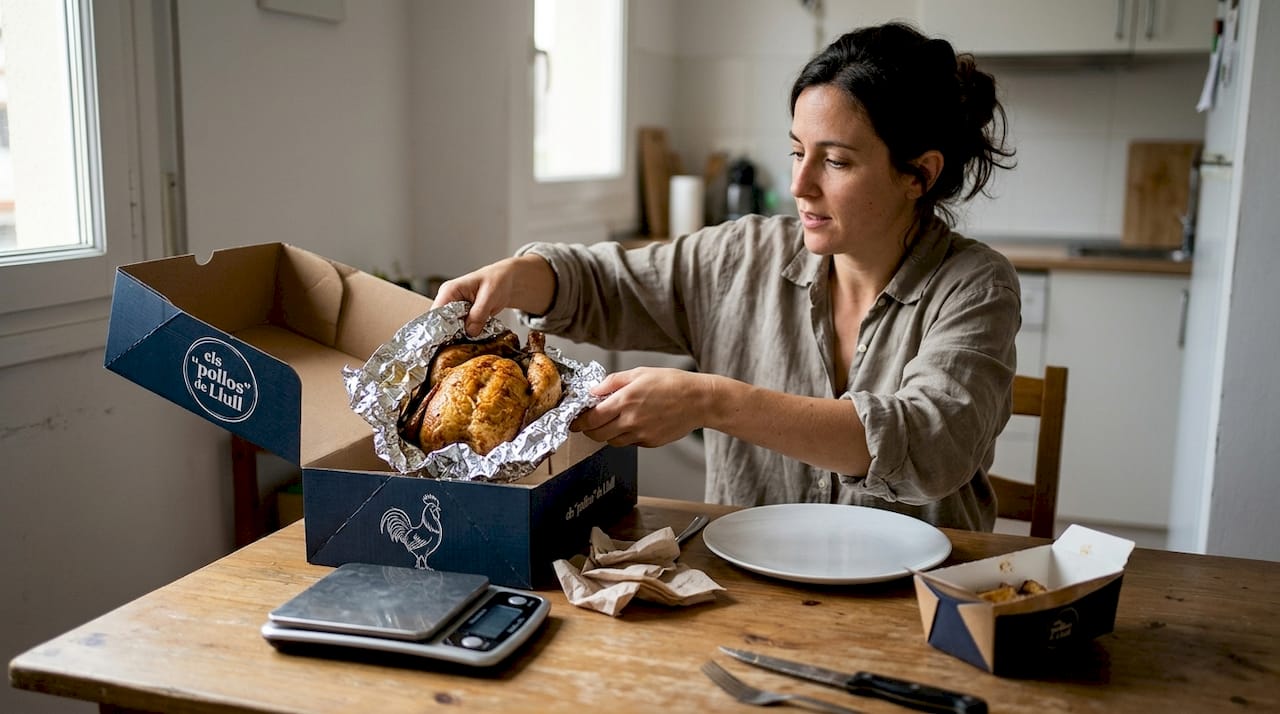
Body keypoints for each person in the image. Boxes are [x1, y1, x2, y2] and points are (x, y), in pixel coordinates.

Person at [432, 22, 1019, 531]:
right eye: (797, 152)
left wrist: (711, 399)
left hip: (916, 602)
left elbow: (929, 440)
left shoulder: (975, 287)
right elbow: (606, 284)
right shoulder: (743, 255)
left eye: (835, 161)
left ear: (918, 174)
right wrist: (520, 276)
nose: (800, 184)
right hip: (752, 589)